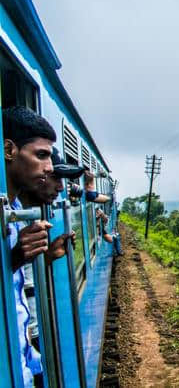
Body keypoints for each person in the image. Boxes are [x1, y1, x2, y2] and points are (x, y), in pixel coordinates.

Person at [3, 106, 57, 387]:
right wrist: (12, 259)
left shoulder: (15, 208)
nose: (48, 167)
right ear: (9, 150)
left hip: (24, 360)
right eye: (41, 155)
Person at [19, 146, 82, 360]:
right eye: (55, 177)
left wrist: (46, 257)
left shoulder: (30, 219)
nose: (61, 187)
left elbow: (22, 278)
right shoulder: (15, 221)